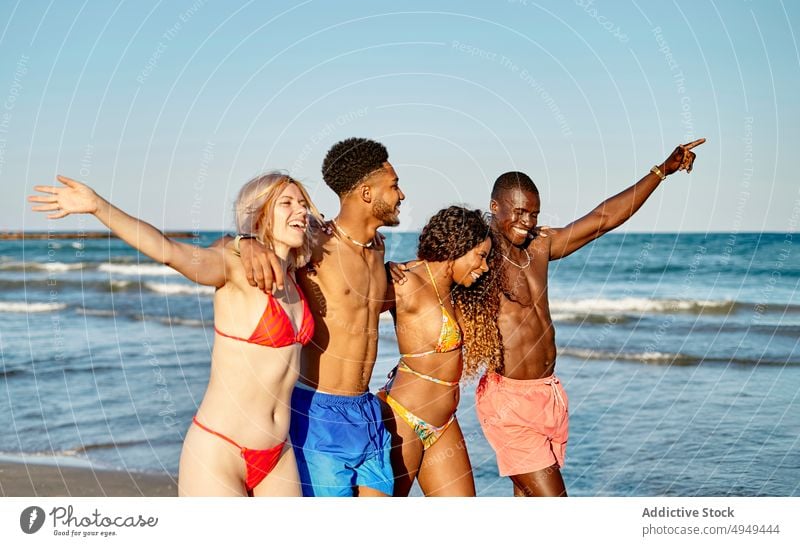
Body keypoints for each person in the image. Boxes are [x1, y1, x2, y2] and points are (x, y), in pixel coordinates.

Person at [28, 172, 320, 497]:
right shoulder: (232, 268)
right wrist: (97, 206)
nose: (301, 210)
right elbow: (167, 251)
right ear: (261, 214)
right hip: (221, 449)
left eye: (303, 203)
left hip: (278, 451)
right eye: (287, 203)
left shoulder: (296, 279)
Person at [467, 138, 706, 497]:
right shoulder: (479, 255)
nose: (526, 222)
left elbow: (602, 219)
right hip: (508, 403)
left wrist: (661, 172)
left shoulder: (539, 245)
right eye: (518, 213)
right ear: (494, 206)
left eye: (533, 213)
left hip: (546, 396)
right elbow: (433, 276)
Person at [239, 137, 404, 496]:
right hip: (319, 412)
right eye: (393, 186)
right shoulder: (315, 240)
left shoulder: (378, 248)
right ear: (365, 193)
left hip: (366, 410)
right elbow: (267, 236)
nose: (401, 195)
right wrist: (244, 242)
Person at [380, 205, 502, 496]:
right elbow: (348, 306)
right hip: (404, 418)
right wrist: (377, 267)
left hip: (444, 424)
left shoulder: (454, 290)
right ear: (458, 245)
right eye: (481, 256)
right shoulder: (405, 282)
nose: (484, 267)